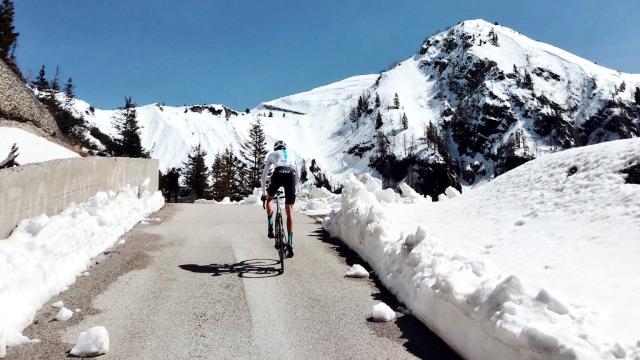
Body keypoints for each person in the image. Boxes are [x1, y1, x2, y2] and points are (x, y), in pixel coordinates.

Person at [261, 140, 299, 258]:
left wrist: (264, 193)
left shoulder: (272, 154)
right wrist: (295, 191)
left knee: (269, 199)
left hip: (278, 174)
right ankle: (290, 243)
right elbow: (297, 176)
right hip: (291, 175)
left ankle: (271, 226)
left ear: (275, 148)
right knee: (289, 210)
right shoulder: (292, 154)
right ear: (284, 147)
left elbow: (263, 177)